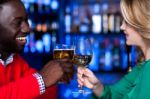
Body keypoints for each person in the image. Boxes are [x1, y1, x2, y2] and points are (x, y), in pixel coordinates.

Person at [0, 0, 74, 99]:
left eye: (26, 20)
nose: (27, 29)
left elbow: (44, 94)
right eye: (17, 23)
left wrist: (56, 78)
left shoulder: (15, 61)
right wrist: (42, 80)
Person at [77, 0, 150, 98]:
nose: (122, 27)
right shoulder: (141, 68)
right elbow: (114, 95)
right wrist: (96, 86)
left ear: (143, 23)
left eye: (127, 22)